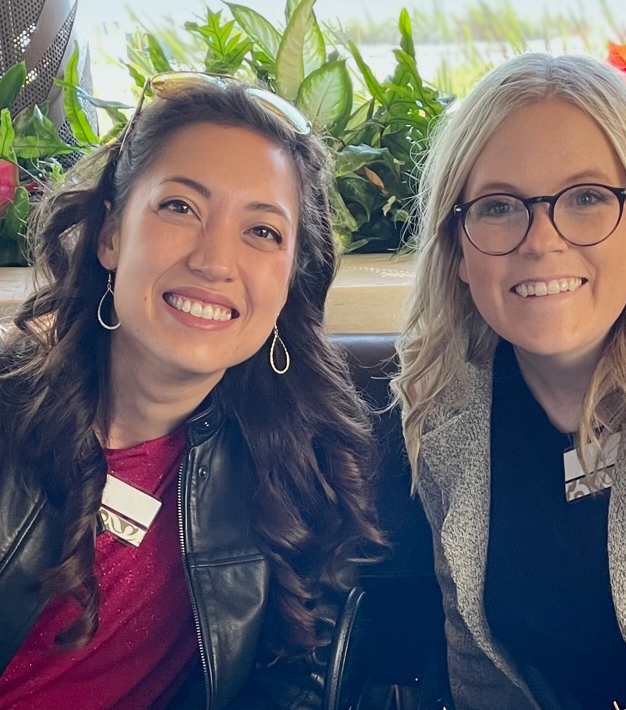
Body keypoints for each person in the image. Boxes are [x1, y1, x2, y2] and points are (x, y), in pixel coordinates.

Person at [0, 73, 383, 710]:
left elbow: (293, 683)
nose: (214, 260)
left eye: (262, 231)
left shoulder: (301, 465)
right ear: (110, 236)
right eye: (180, 207)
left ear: (290, 280)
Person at [393, 53, 626, 710]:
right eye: (499, 206)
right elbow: (476, 672)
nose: (542, 241)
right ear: (458, 249)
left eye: (586, 198)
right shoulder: (446, 402)